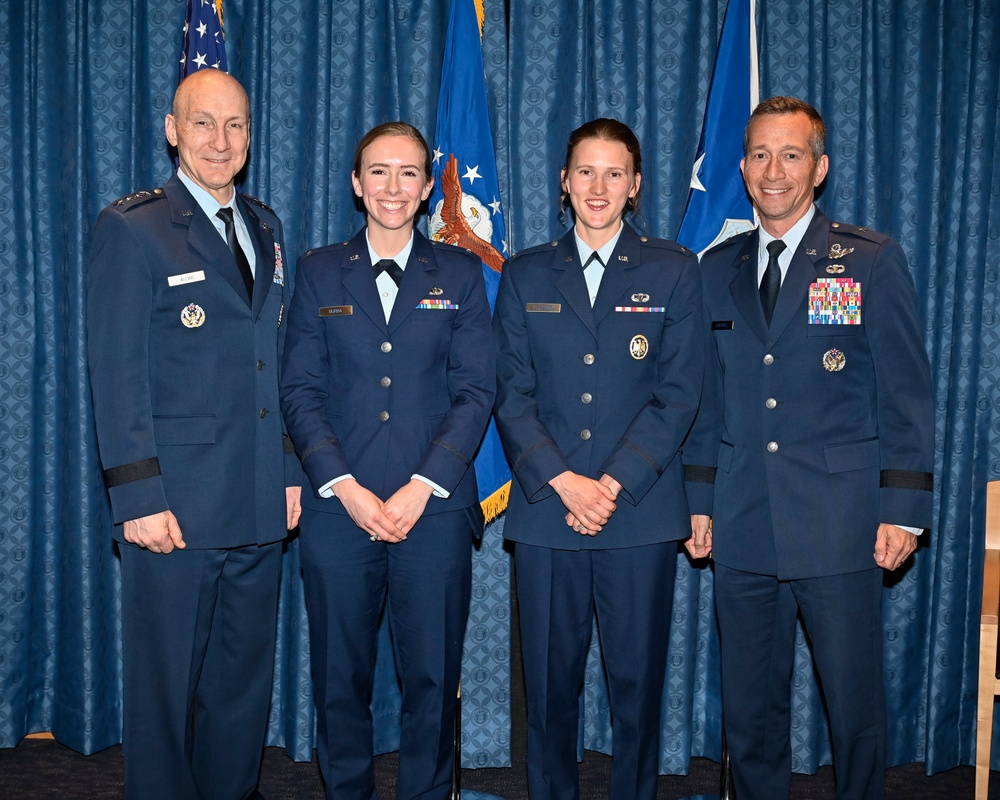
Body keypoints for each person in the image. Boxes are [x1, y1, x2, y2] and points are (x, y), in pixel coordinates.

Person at [683, 96, 934, 800]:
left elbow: (907, 394)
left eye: (791, 155)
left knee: (852, 707)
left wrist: (903, 511)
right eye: (760, 154)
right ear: (741, 166)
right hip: (742, 520)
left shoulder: (869, 261)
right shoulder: (715, 268)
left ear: (818, 169)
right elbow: (706, 399)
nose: (774, 170)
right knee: (750, 708)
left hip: (841, 523)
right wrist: (698, 499)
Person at [86, 69, 302, 800]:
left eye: (235, 125)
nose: (220, 140)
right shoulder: (133, 227)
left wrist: (290, 474)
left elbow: (272, 366)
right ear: (173, 130)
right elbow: (117, 375)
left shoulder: (266, 225)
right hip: (172, 508)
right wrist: (137, 495)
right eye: (203, 123)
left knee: (242, 687)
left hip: (256, 500)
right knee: (164, 692)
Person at [280, 121, 495, 800]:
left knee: (431, 677)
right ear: (355, 182)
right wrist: (343, 487)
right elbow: (298, 389)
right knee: (339, 677)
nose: (393, 187)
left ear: (429, 187)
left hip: (432, 509)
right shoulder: (318, 270)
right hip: (338, 510)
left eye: (408, 173)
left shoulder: (460, 272)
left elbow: (477, 389)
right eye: (378, 171)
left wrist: (421, 487)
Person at [493, 118, 703, 800]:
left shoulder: (673, 270)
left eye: (615, 173)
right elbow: (510, 392)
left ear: (636, 185)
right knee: (549, 690)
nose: (599, 186)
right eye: (585, 171)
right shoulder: (525, 274)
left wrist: (609, 483)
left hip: (637, 512)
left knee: (636, 689)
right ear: (563, 180)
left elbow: (679, 396)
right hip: (548, 513)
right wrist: (564, 481)